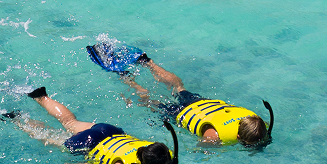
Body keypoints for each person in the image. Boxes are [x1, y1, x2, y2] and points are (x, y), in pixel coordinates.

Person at [85, 39, 273, 148]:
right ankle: (123, 74)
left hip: (203, 104)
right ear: (239, 138)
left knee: (179, 87)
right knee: (148, 100)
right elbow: (203, 146)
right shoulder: (216, 135)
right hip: (181, 113)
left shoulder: (254, 119)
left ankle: (146, 62)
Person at [0, 87, 179, 164]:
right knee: (46, 136)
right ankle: (17, 120)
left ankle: (41, 97)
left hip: (109, 131)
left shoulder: (159, 149)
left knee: (69, 121)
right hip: (91, 143)